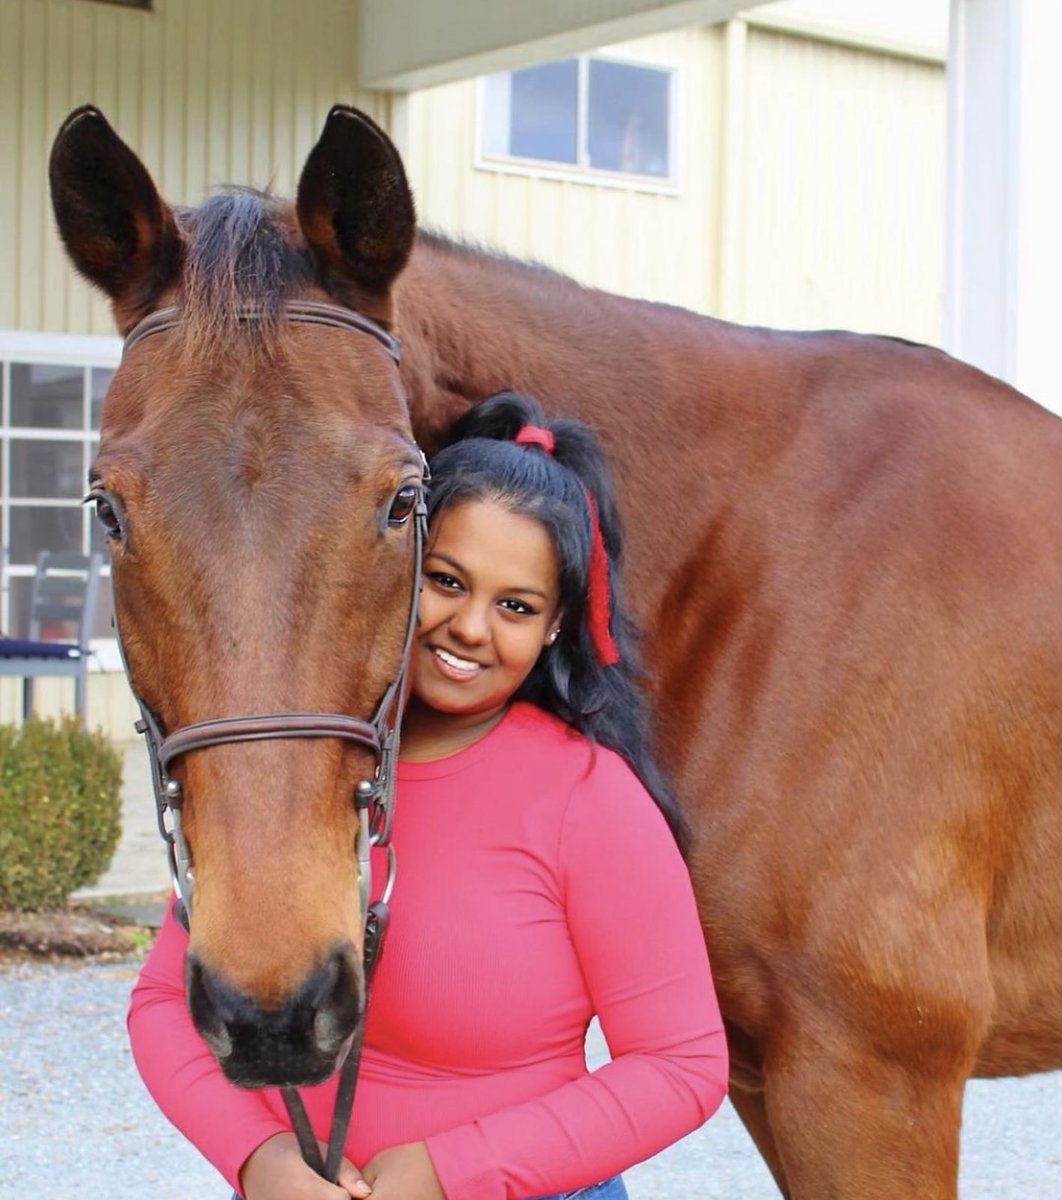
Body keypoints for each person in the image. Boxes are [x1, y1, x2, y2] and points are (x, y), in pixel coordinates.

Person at [127, 391, 729, 1200]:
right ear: (398, 569)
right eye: (446, 580)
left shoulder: (589, 799)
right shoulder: (302, 766)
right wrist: (258, 1158)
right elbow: (167, 1000)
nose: (471, 627)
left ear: (554, 627)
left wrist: (450, 1172)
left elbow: (683, 1064)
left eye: (515, 606)